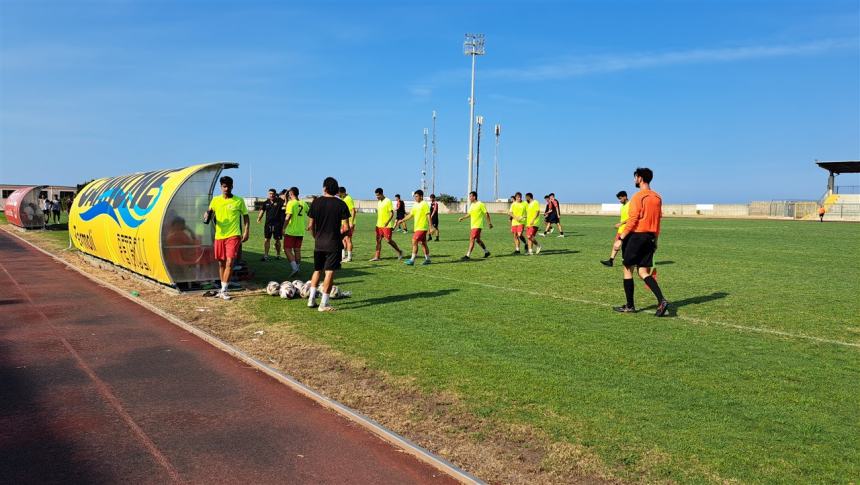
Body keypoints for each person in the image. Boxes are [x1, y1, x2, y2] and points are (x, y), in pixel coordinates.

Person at [614, 167, 669, 316]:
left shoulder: (638, 197)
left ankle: (630, 306)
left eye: (635, 177)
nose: (634, 180)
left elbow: (632, 221)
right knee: (643, 271)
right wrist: (655, 240)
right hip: (650, 237)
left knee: (627, 269)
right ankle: (661, 300)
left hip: (636, 237)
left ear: (639, 178)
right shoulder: (657, 197)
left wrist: (621, 238)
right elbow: (657, 221)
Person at [307, 177, 351, 312]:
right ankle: (324, 304)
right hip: (333, 243)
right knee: (329, 272)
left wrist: (316, 237)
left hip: (319, 243)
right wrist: (339, 237)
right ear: (336, 190)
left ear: (324, 188)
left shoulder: (316, 203)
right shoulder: (341, 204)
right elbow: (346, 227)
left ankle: (311, 300)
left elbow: (310, 226)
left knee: (317, 270)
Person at [205, 176, 250, 300]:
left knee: (230, 262)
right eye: (224, 186)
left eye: (228, 186)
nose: (226, 188)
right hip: (219, 235)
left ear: (232, 186)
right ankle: (222, 287)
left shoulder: (238, 200)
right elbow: (208, 214)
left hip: (233, 235)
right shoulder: (215, 200)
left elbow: (246, 216)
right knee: (221, 264)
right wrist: (206, 215)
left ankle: (224, 290)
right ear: (221, 187)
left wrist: (246, 231)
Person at [397, 190, 432, 265]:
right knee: (423, 243)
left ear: (421, 196)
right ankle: (428, 259)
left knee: (414, 240)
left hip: (422, 227)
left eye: (416, 196)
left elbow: (428, 215)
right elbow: (411, 215)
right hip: (417, 228)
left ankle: (412, 260)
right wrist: (402, 220)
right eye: (414, 196)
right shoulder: (415, 204)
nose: (415, 198)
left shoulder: (424, 204)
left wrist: (431, 227)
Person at [370, 188, 403, 261]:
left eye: (378, 195)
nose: (377, 197)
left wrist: (387, 222)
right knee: (378, 240)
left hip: (387, 225)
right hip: (378, 225)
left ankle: (400, 252)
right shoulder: (379, 202)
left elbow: (392, 213)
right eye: (376, 195)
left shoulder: (388, 201)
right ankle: (377, 256)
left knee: (388, 240)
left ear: (382, 194)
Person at [458, 191, 493, 260]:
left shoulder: (480, 204)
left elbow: (486, 213)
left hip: (478, 225)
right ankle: (486, 252)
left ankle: (467, 255)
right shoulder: (472, 205)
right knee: (478, 240)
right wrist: (462, 218)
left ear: (474, 197)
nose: (469, 198)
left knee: (472, 239)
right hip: (473, 225)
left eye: (470, 196)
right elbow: (469, 214)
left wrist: (489, 223)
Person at [284, 187, 308, 277]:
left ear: (291, 194)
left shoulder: (291, 203)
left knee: (287, 249)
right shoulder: (303, 203)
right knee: (297, 250)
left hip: (291, 231)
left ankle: (295, 268)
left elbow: (288, 217)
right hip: (301, 231)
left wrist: (283, 228)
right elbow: (310, 213)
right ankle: (298, 268)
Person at [601, 191, 629, 267]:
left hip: (627, 230)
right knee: (617, 245)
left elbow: (632, 218)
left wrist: (621, 223)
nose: (619, 201)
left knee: (626, 246)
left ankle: (626, 260)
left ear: (625, 197)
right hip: (621, 230)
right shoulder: (623, 206)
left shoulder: (630, 205)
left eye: (620, 199)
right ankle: (611, 261)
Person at [256, 188, 284, 261]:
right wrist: (259, 218)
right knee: (267, 239)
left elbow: (285, 204)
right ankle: (266, 255)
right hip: (268, 224)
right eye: (270, 194)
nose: (271, 195)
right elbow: (262, 211)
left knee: (277, 240)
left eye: (272, 194)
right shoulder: (266, 202)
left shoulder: (280, 201)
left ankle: (278, 255)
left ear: (275, 194)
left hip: (277, 224)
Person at [338, 186, 357, 262]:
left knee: (348, 239)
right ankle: (343, 256)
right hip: (344, 222)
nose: (338, 195)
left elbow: (353, 210)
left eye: (338, 193)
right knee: (343, 239)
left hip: (348, 223)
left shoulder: (348, 199)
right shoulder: (344, 199)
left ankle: (349, 257)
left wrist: (351, 222)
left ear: (342, 192)